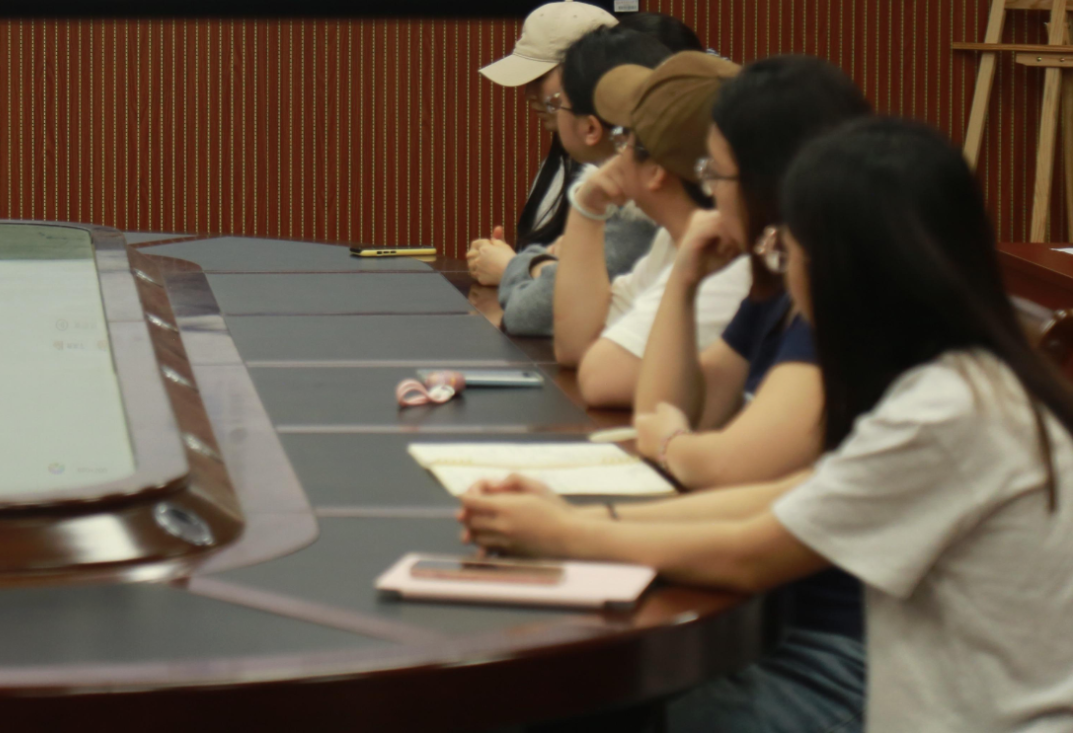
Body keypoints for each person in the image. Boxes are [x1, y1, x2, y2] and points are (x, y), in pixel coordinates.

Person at [460, 118, 1073, 732]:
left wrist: (565, 533)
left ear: (839, 263)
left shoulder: (948, 409)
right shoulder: (964, 377)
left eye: (789, 251)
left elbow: (750, 554)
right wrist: (577, 517)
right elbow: (784, 498)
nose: (784, 272)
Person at [633, 57, 872, 488]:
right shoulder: (778, 290)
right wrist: (683, 282)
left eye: (716, 174)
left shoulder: (843, 299)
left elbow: (726, 466)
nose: (711, 194)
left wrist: (672, 446)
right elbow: (659, 415)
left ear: (768, 182)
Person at [551, 52, 751, 408]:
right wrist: (587, 207)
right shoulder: (669, 240)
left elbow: (600, 376)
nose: (615, 154)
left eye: (625, 137)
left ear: (656, 170)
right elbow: (576, 344)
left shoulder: (729, 262)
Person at [495, 27, 668, 336]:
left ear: (591, 128)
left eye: (558, 104)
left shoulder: (640, 215)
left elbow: (526, 314)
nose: (531, 96)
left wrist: (531, 264)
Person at [467, 0, 617, 287]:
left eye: (540, 77)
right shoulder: (564, 157)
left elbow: (599, 287)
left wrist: (512, 268)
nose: (529, 94)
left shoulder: (628, 178)